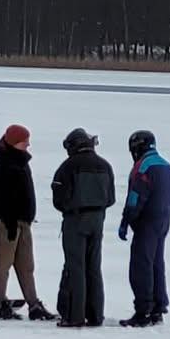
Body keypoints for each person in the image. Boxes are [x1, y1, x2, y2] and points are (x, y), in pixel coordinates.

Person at [50, 128, 115, 327]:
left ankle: (74, 315)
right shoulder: (105, 166)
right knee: (93, 267)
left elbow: (58, 198)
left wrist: (70, 208)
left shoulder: (67, 167)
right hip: (98, 220)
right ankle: (95, 315)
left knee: (75, 267)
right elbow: (111, 198)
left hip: (75, 220)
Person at [0, 123, 53, 321]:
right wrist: (9, 222)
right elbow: (1, 197)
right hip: (7, 221)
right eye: (25, 142)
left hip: (23, 221)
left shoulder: (20, 161)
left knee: (26, 264)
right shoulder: (2, 164)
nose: (28, 145)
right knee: (4, 263)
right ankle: (1, 303)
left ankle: (34, 304)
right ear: (14, 142)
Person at [118, 129, 170, 327]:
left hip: (146, 222)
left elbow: (135, 198)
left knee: (141, 266)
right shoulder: (167, 167)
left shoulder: (143, 168)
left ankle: (143, 310)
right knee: (157, 264)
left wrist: (126, 221)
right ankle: (158, 307)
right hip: (163, 221)